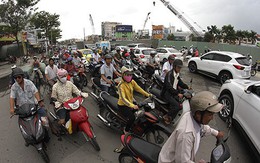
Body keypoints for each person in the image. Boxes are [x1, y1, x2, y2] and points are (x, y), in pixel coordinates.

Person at [158, 91, 224, 163]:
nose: (212, 118)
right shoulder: (186, 135)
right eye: (210, 115)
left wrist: (216, 133)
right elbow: (182, 161)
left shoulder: (192, 116)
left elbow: (202, 128)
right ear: (198, 114)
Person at [10, 68, 49, 144]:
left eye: (19, 77)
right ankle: (27, 137)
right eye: (15, 78)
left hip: (33, 106)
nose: (17, 79)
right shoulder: (14, 87)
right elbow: (12, 97)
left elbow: (36, 92)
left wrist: (39, 101)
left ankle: (46, 131)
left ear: (22, 76)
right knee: (21, 124)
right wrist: (11, 108)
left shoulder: (29, 83)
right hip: (23, 109)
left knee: (44, 115)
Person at [117, 66, 152, 133]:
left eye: (130, 74)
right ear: (123, 75)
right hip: (123, 105)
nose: (129, 76)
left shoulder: (132, 82)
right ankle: (126, 130)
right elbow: (123, 99)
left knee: (140, 112)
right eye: (127, 74)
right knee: (132, 117)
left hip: (131, 102)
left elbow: (139, 89)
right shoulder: (121, 85)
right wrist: (132, 106)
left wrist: (148, 95)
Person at [161, 59, 189, 124]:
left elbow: (180, 82)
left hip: (173, 92)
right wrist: (178, 93)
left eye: (180, 67)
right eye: (178, 67)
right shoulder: (169, 74)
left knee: (181, 103)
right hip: (167, 93)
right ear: (174, 66)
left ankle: (172, 117)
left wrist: (187, 87)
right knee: (177, 106)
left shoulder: (177, 74)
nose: (179, 69)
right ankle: (167, 116)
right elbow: (169, 87)